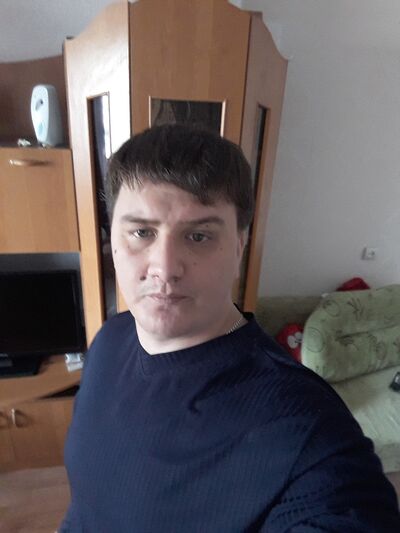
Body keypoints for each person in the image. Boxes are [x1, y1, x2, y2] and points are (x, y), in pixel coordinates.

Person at [60, 124, 400, 532]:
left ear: (240, 246)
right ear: (112, 239)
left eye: (198, 236)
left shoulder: (306, 430)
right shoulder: (110, 341)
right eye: (141, 232)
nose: (165, 267)